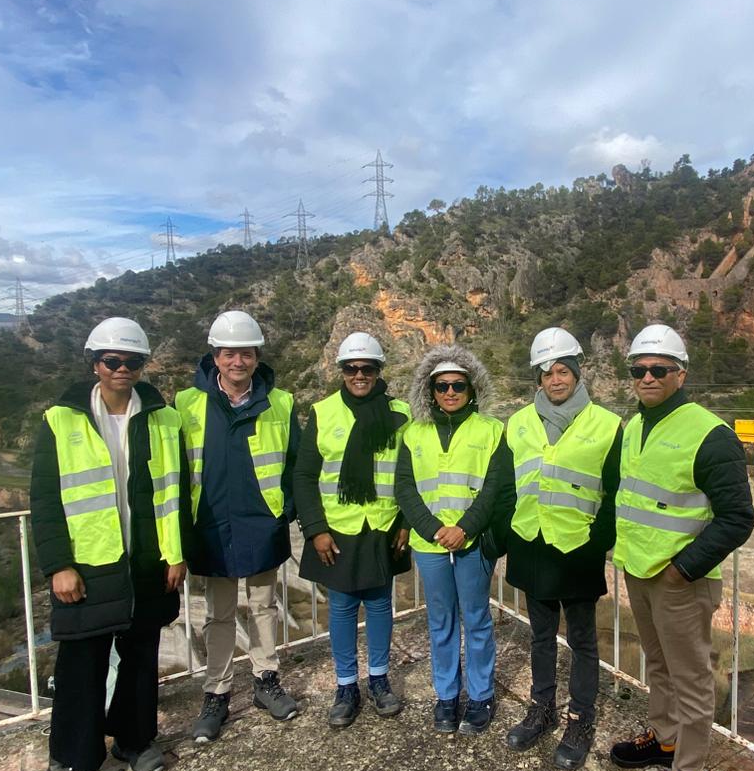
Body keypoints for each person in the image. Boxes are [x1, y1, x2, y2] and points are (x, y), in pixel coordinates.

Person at [31, 317, 188, 771]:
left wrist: (175, 554)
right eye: (111, 361)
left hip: (146, 559)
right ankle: (71, 760)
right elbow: (46, 500)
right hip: (88, 563)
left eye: (132, 362)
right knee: (84, 662)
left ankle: (135, 740)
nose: (122, 370)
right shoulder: (63, 419)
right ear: (95, 364)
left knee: (141, 657)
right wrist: (58, 564)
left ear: (143, 365)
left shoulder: (163, 417)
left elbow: (175, 492)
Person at [609, 323, 754, 771]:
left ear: (680, 372)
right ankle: (665, 739)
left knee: (691, 678)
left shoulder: (710, 434)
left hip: (680, 581)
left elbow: (738, 518)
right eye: (638, 369)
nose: (647, 377)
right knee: (658, 664)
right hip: (638, 571)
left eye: (658, 369)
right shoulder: (633, 427)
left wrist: (682, 569)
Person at [176, 310, 301, 742]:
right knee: (219, 613)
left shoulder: (280, 403)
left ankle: (267, 680)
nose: (237, 362)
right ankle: (217, 692)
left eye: (245, 353)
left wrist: (284, 510)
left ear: (256, 356)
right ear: (215, 355)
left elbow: (295, 464)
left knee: (265, 605)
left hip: (261, 519)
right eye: (229, 353)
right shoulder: (186, 404)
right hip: (210, 523)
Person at [501, 327, 622, 769]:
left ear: (576, 373)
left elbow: (614, 494)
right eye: (547, 373)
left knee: (583, 640)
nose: (555, 380)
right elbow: (505, 487)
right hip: (532, 544)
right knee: (540, 635)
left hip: (579, 549)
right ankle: (542, 707)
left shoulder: (607, 426)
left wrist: (599, 543)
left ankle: (580, 718)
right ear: (538, 378)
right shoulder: (516, 423)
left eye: (562, 371)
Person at [294, 332, 410, 727]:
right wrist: (315, 529)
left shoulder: (401, 413)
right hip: (337, 530)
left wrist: (406, 522)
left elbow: (410, 474)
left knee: (379, 605)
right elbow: (306, 475)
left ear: (379, 371)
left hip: (382, 525)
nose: (359, 375)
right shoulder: (324, 413)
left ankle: (378, 679)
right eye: (351, 368)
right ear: (341, 371)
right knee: (342, 607)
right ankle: (346, 685)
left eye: (367, 369)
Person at [394, 344, 511, 735]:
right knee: (440, 620)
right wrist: (432, 530)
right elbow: (406, 489)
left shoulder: (492, 430)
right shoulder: (413, 433)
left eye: (457, 385)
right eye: (441, 386)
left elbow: (494, 487)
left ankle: (480, 696)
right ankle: (447, 695)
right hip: (430, 546)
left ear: (472, 388)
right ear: (430, 391)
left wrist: (465, 528)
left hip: (471, 542)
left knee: (476, 618)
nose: (449, 392)